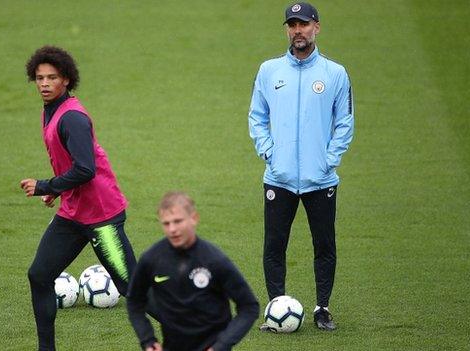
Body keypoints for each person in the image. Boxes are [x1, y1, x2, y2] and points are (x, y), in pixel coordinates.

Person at [20, 46, 138, 351]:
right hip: (73, 214)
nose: (44, 83)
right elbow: (70, 163)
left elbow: (85, 169)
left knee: (132, 289)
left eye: (52, 77)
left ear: (67, 80)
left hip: (102, 219)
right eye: (39, 78)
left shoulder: (72, 117)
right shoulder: (50, 110)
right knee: (40, 275)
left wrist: (46, 186)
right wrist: (59, 190)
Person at [248, 2, 354, 331]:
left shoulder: (335, 74)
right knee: (274, 246)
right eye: (292, 25)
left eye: (304, 24)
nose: (298, 30)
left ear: (316, 28)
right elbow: (257, 117)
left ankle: (322, 308)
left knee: (324, 245)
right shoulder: (269, 71)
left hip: (320, 180)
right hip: (278, 179)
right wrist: (269, 152)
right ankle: (276, 307)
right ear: (287, 30)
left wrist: (328, 160)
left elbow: (345, 123)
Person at [127, 192, 259, 351]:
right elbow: (134, 300)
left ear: (194, 218)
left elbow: (249, 306)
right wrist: (148, 341)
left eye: (178, 221)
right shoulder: (151, 259)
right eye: (166, 223)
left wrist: (221, 346)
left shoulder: (215, 260)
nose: (172, 229)